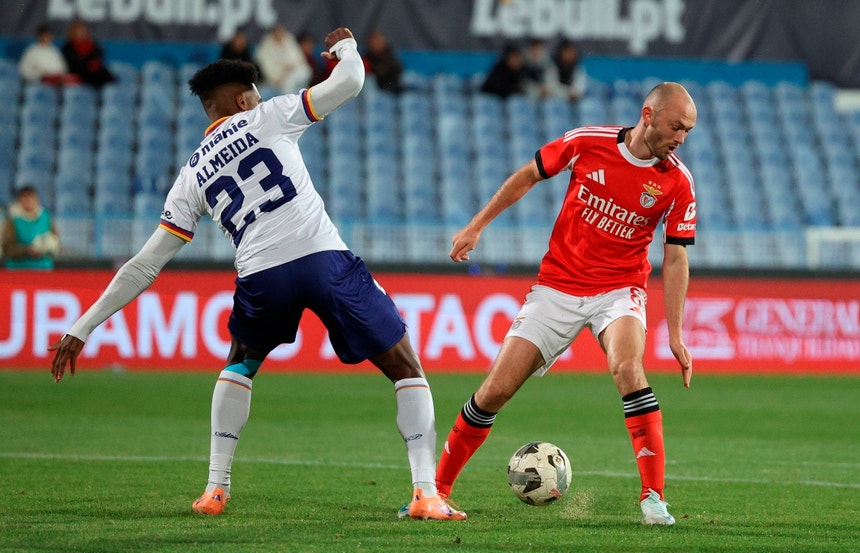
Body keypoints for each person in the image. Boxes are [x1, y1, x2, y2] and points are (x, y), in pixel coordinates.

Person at [48, 27, 465, 522]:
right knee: (405, 366)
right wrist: (347, 48)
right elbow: (351, 82)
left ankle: (215, 489)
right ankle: (425, 494)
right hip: (321, 258)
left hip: (262, 275)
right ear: (244, 99)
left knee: (240, 364)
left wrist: (83, 325)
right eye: (256, 94)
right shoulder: (268, 116)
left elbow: (145, 263)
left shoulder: (192, 173)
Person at [434, 82, 697, 526]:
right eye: (676, 127)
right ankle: (436, 491)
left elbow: (675, 258)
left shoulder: (677, 182)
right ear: (648, 115)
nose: (681, 139)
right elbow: (527, 175)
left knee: (628, 369)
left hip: (619, 289)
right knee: (495, 390)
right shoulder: (587, 142)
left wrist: (675, 334)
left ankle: (653, 498)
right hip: (557, 285)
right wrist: (476, 226)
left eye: (688, 130)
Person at [2, 185, 60, 270]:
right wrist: (28, 250)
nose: (28, 201)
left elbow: (55, 240)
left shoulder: (46, 217)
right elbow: (7, 248)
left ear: (36, 199)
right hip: (18, 270)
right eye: (25, 199)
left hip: (43, 269)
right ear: (19, 201)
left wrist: (48, 248)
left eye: (31, 198)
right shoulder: (12, 220)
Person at [255, 24, 312, 95]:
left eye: (282, 33)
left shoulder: (289, 40)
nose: (280, 35)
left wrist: (288, 69)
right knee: (288, 84)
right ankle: (289, 99)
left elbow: (298, 59)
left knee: (305, 72)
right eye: (278, 33)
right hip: (277, 78)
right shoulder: (266, 46)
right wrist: (279, 78)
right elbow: (266, 67)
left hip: (292, 72)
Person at [60, 19, 115, 88]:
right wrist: (87, 63)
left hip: (95, 71)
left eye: (82, 31)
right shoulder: (67, 47)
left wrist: (93, 63)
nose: (79, 33)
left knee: (104, 75)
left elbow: (99, 55)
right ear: (72, 32)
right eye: (77, 31)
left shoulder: (93, 44)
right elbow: (72, 63)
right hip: (79, 73)